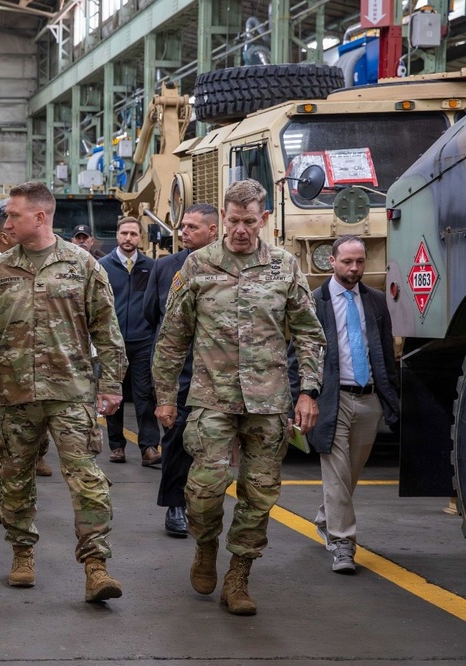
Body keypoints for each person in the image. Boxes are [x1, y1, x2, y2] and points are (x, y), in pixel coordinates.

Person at [152, 179, 325, 616]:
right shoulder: (198, 265)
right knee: (204, 489)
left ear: (264, 219)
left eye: (249, 221)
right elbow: (172, 337)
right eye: (233, 221)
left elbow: (309, 333)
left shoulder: (284, 266)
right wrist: (165, 397)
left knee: (259, 493)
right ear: (223, 219)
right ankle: (206, 545)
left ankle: (238, 575)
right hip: (212, 397)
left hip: (269, 401)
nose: (241, 229)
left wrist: (308, 391)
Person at [0, 181, 127, 603]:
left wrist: (111, 384)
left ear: (39, 217)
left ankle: (96, 566)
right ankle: (22, 554)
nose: (6, 223)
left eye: (14, 215)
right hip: (13, 395)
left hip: (70, 392)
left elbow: (107, 330)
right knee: (14, 480)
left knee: (87, 480)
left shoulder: (83, 266)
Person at [308, 235, 399, 574]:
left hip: (369, 398)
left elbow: (385, 354)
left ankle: (326, 517)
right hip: (333, 399)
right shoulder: (314, 302)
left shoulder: (376, 301)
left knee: (350, 473)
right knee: (336, 472)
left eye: (360, 261)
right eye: (347, 261)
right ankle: (343, 543)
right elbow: (298, 354)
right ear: (332, 261)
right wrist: (301, 399)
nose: (354, 268)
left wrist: (390, 398)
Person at [143, 204, 219, 537]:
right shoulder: (165, 267)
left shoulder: (227, 266)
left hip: (217, 370)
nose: (183, 232)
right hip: (180, 370)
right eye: (182, 226)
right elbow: (152, 314)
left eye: (192, 227)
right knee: (175, 438)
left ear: (212, 231)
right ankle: (175, 506)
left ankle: (204, 505)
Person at [0, 203, 51, 524]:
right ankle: (0, 497)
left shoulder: (37, 266)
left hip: (34, 370)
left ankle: (18, 493)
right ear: (5, 237)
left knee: (24, 439)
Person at [100, 217, 162, 466]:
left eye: (133, 234)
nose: (128, 238)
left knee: (144, 394)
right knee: (112, 393)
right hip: (112, 342)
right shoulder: (102, 266)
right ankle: (117, 446)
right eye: (124, 233)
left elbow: (157, 302)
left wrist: (151, 331)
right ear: (117, 235)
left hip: (142, 340)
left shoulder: (151, 267)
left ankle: (149, 447)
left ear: (140, 237)